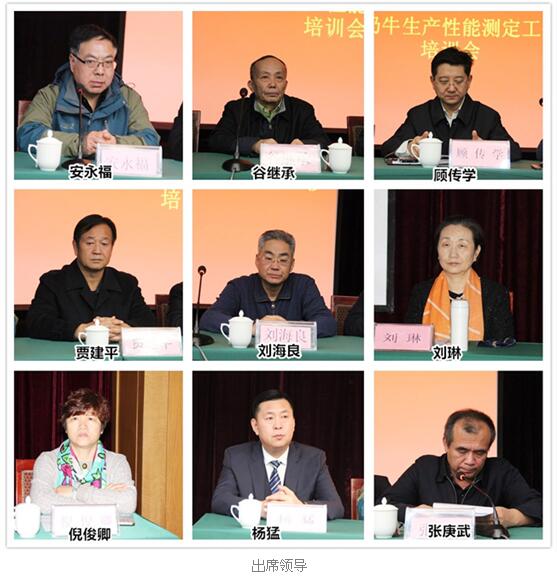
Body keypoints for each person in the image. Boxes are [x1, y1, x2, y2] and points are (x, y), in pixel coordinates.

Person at [17, 24, 159, 158]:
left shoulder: (128, 97)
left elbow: (150, 139)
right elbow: (27, 135)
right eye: (91, 61)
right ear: (73, 62)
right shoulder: (51, 95)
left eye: (108, 62)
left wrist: (116, 143)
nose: (100, 71)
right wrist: (79, 144)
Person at [382, 409, 542, 528]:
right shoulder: (425, 468)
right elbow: (384, 504)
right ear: (446, 444)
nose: (470, 461)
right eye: (462, 451)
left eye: (480, 453)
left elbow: (540, 506)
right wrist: (414, 512)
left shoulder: (500, 471)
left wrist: (511, 517)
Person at [211, 389, 344, 520]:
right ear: (255, 426)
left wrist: (300, 508)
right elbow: (220, 500)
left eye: (284, 417)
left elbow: (336, 506)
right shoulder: (236, 457)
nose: (278, 425)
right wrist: (258, 508)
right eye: (270, 418)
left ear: (294, 423)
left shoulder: (314, 459)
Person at [25, 214, 155, 341]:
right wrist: (80, 330)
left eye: (104, 243)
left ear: (112, 247)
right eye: (89, 243)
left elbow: (148, 321)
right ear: (75, 246)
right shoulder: (53, 282)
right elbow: (36, 322)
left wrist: (126, 330)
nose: (97, 251)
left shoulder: (127, 283)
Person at [381, 47, 521, 161]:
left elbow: (515, 152)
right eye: (444, 81)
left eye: (459, 81)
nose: (452, 88)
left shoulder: (487, 116)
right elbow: (388, 147)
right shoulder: (418, 114)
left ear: (469, 81)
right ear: (432, 81)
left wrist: (486, 149)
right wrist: (410, 147)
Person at [199, 230, 337, 338]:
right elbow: (209, 318)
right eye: (269, 258)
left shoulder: (304, 285)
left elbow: (328, 323)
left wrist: (290, 329)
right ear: (257, 260)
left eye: (283, 260)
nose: (275, 266)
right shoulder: (240, 286)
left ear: (292, 264)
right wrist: (251, 328)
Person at [405, 216, 514, 342]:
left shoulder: (495, 294)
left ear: (476, 252)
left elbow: (503, 346)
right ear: (437, 250)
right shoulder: (421, 292)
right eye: (446, 244)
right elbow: (410, 342)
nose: (453, 254)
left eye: (461, 246)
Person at [30, 388, 136, 515]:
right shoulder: (47, 460)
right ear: (66, 427)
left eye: (91, 419)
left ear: (102, 428)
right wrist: (105, 499)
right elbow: (40, 502)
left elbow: (128, 503)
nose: (83, 426)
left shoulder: (117, 462)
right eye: (75, 418)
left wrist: (75, 492)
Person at [209, 55, 330, 155]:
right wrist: (254, 145)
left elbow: (323, 141)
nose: (273, 84)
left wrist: (304, 145)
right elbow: (217, 140)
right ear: (251, 85)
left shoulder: (302, 110)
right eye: (265, 77)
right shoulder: (236, 109)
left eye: (279, 78)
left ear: (285, 84)